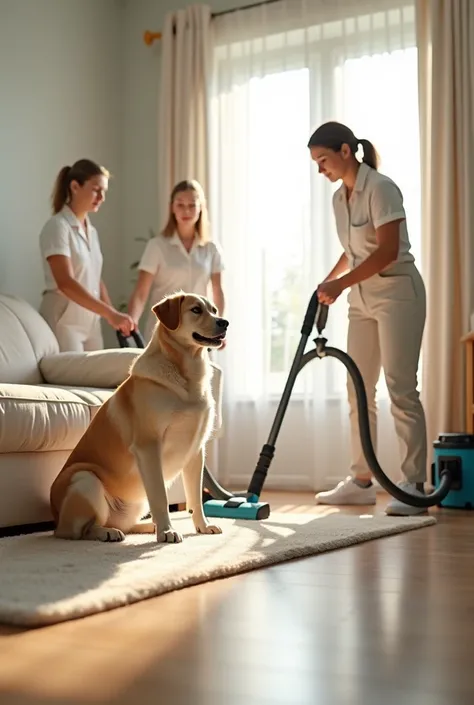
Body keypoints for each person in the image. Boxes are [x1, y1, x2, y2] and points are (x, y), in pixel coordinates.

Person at [307, 121, 427, 516]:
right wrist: (331, 279)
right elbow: (355, 250)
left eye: (322, 160)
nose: (320, 169)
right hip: (361, 298)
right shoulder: (338, 199)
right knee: (358, 386)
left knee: (400, 387)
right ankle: (361, 481)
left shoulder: (381, 188)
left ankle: (413, 485)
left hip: (396, 293)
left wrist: (340, 284)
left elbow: (387, 252)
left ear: (345, 151)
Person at [39, 159, 134, 352]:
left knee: (94, 379)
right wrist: (109, 314)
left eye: (104, 191)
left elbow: (95, 279)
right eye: (96, 189)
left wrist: (114, 315)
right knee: (70, 380)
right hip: (64, 322)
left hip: (91, 323)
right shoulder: (58, 226)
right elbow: (65, 282)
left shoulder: (92, 231)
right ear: (75, 186)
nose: (102, 197)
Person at [127, 179, 225, 341]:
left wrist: (218, 328)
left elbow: (217, 291)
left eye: (192, 205)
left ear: (201, 207)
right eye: (180, 204)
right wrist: (131, 321)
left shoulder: (211, 248)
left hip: (200, 332)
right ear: (172, 207)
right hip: (164, 330)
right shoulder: (157, 246)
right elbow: (140, 293)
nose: (186, 210)